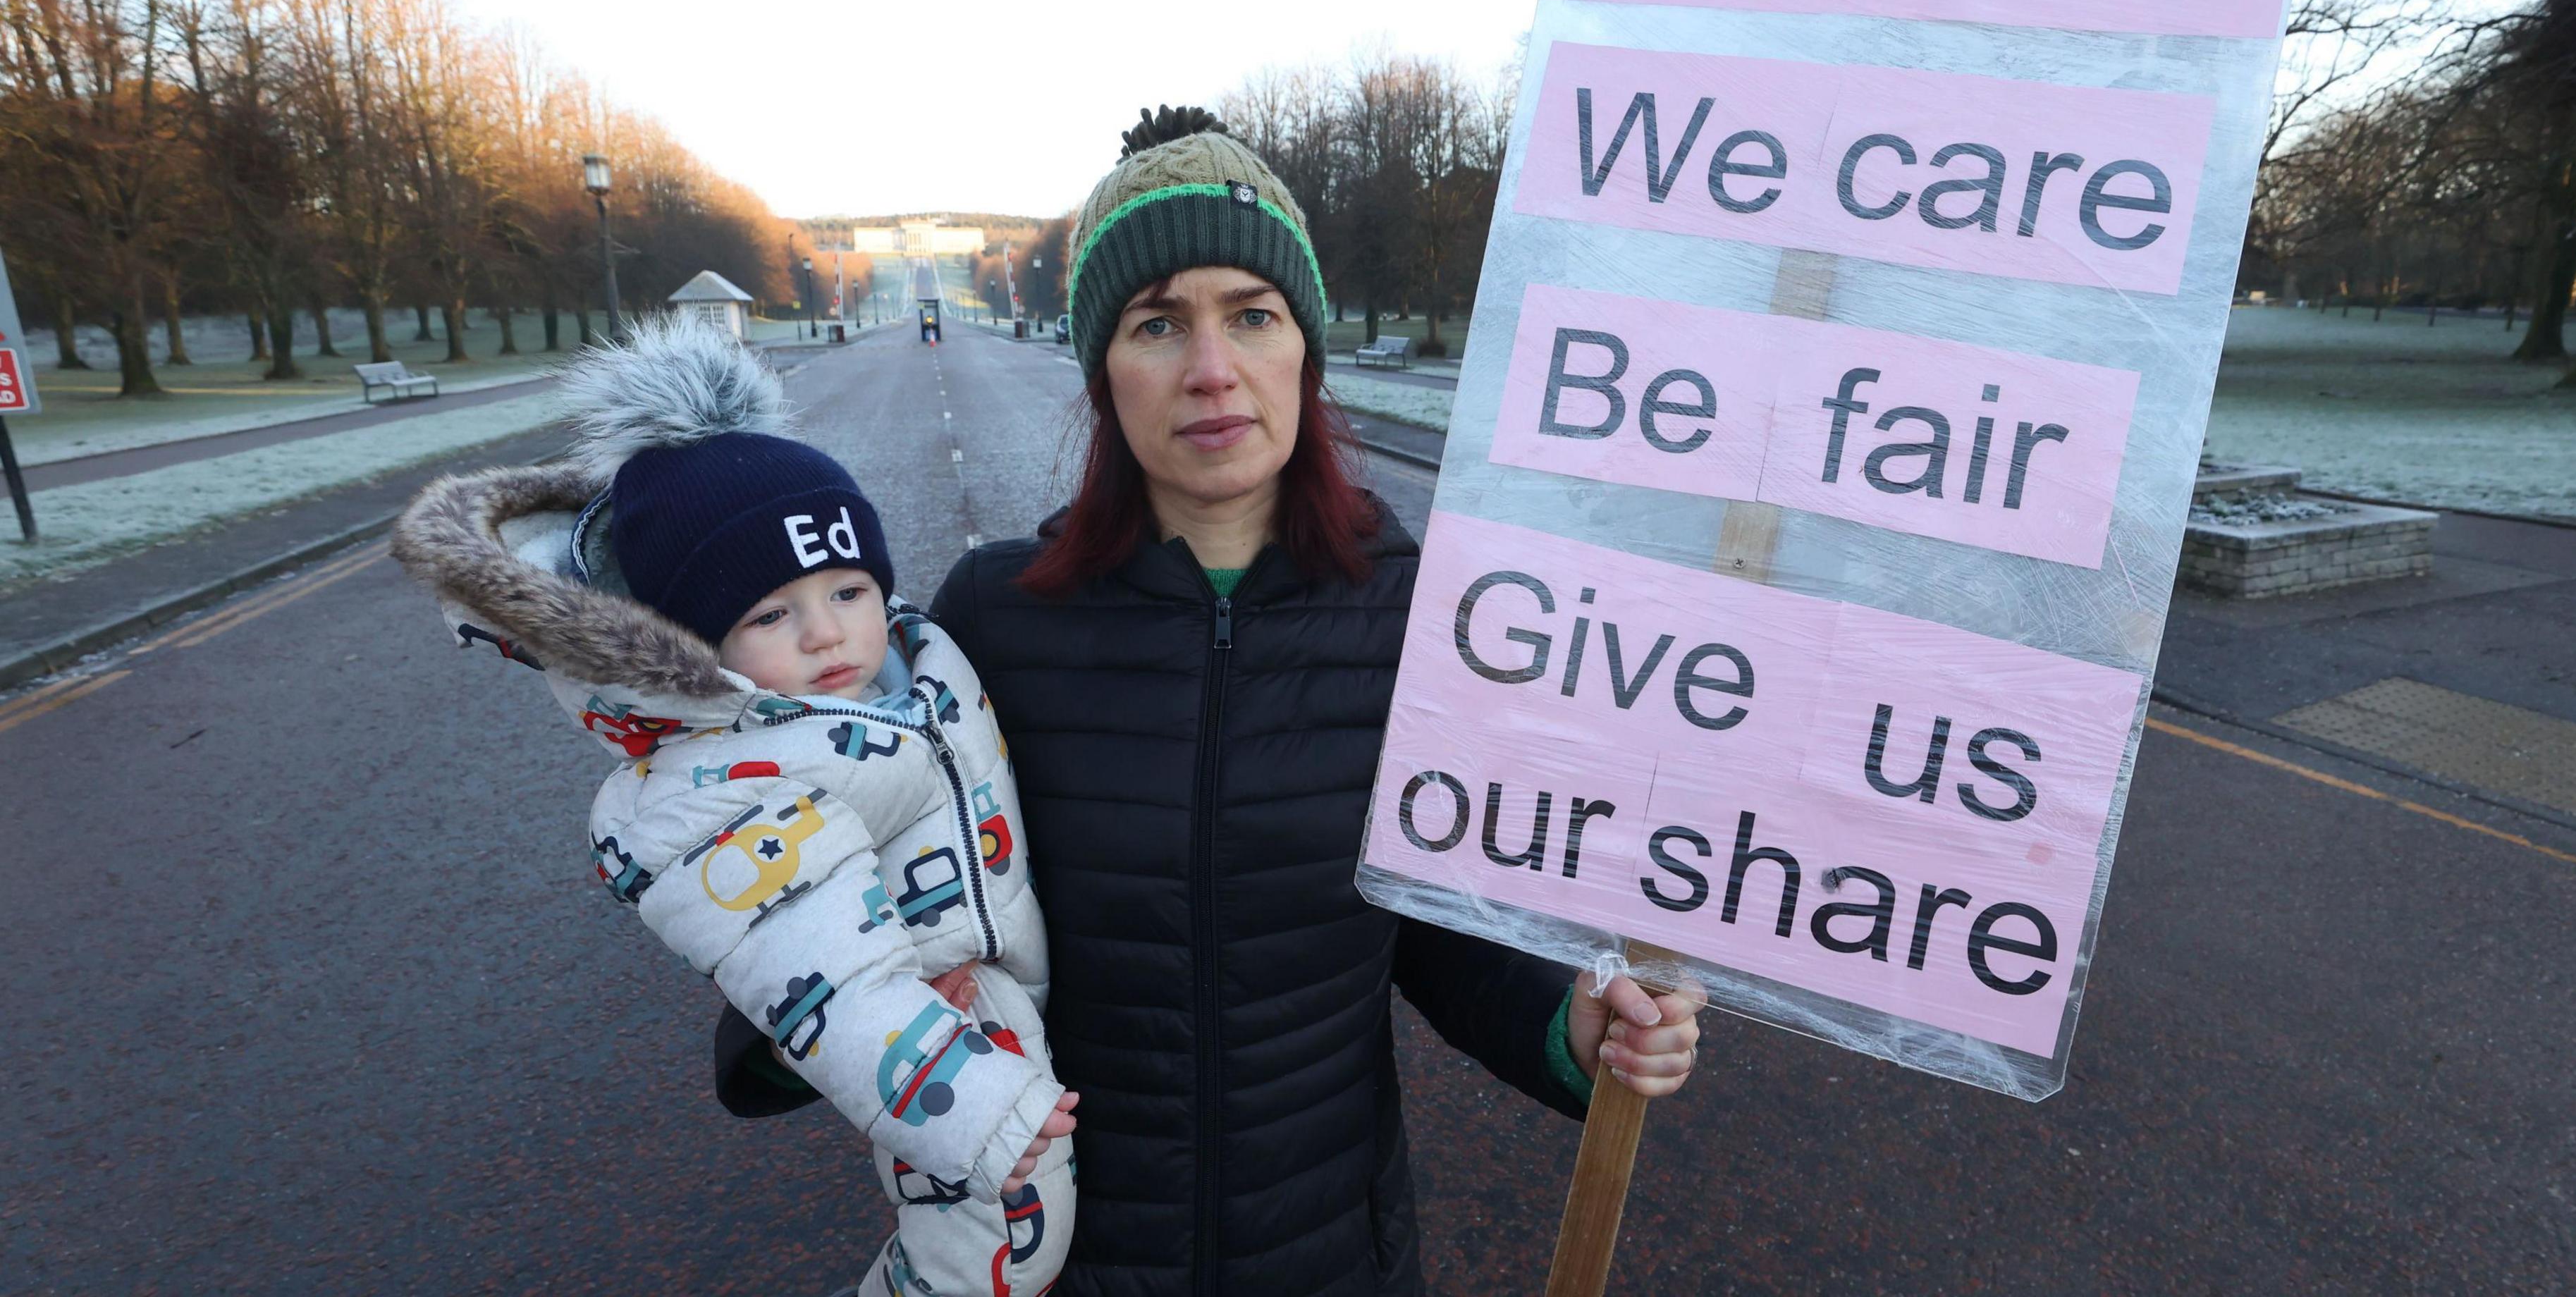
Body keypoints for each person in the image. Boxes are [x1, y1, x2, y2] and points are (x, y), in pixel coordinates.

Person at [715, 107, 1705, 1294]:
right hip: (1062, 1255)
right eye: (1158, 324)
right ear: (1104, 371)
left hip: (1330, 1254)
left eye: (1252, 313)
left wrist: (1570, 1031)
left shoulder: (1416, 616)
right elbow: (837, 890)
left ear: (1304, 346)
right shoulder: (990, 621)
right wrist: (813, 1020)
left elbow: (1430, 926)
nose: (1211, 370)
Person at [393, 317, 1077, 1297]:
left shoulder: (902, 668)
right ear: (700, 643)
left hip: (997, 990)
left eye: (849, 590)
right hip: (943, 1055)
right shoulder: (719, 781)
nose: (826, 634)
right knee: (1007, 1235)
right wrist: (980, 1112)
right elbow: (827, 978)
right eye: (769, 615)